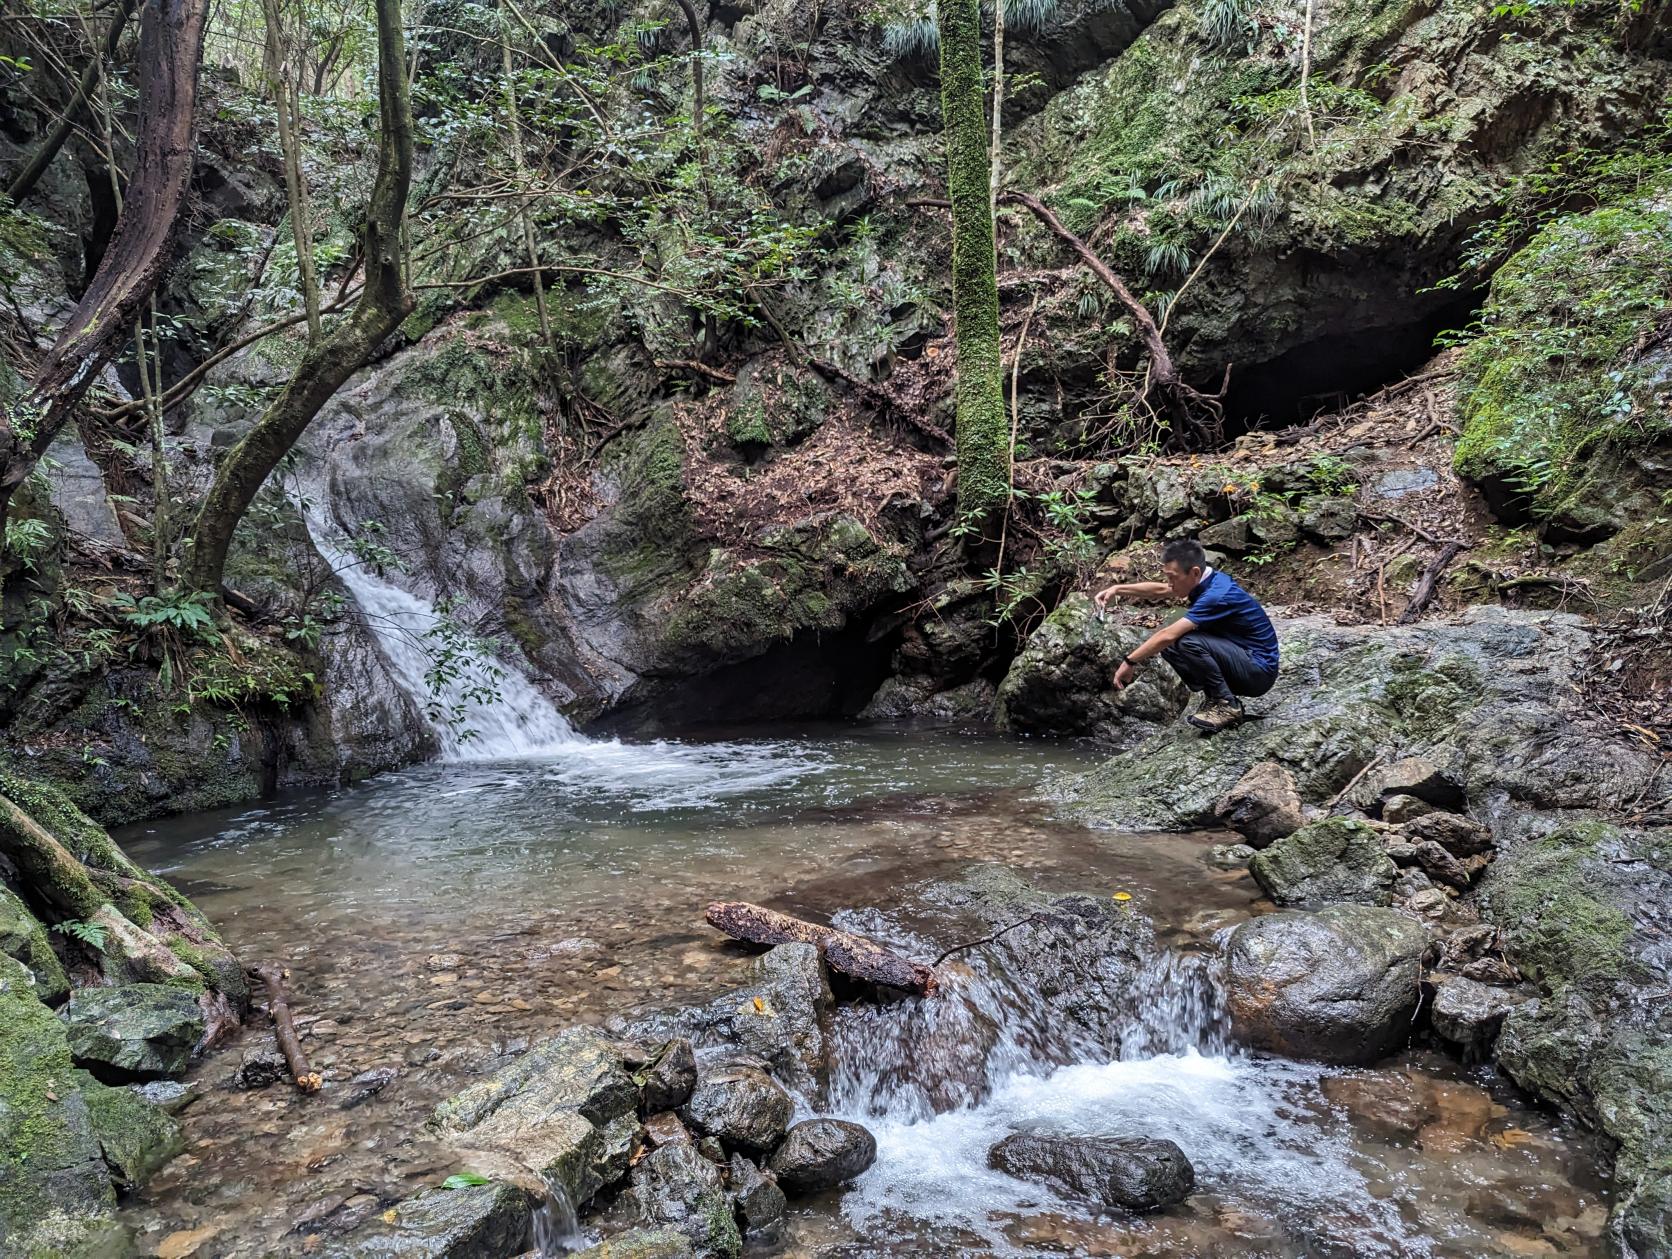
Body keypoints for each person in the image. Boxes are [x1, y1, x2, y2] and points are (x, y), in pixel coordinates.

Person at [1092, 538, 1279, 734]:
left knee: (1184, 640)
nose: (1170, 583)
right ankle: (1216, 698)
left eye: (1173, 577)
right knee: (1173, 646)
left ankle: (1227, 705)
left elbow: (1167, 635)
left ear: (1195, 572)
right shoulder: (1205, 580)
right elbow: (1162, 590)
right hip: (1243, 660)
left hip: (1259, 671)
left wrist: (1129, 661)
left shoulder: (1216, 595)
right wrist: (1117, 589)